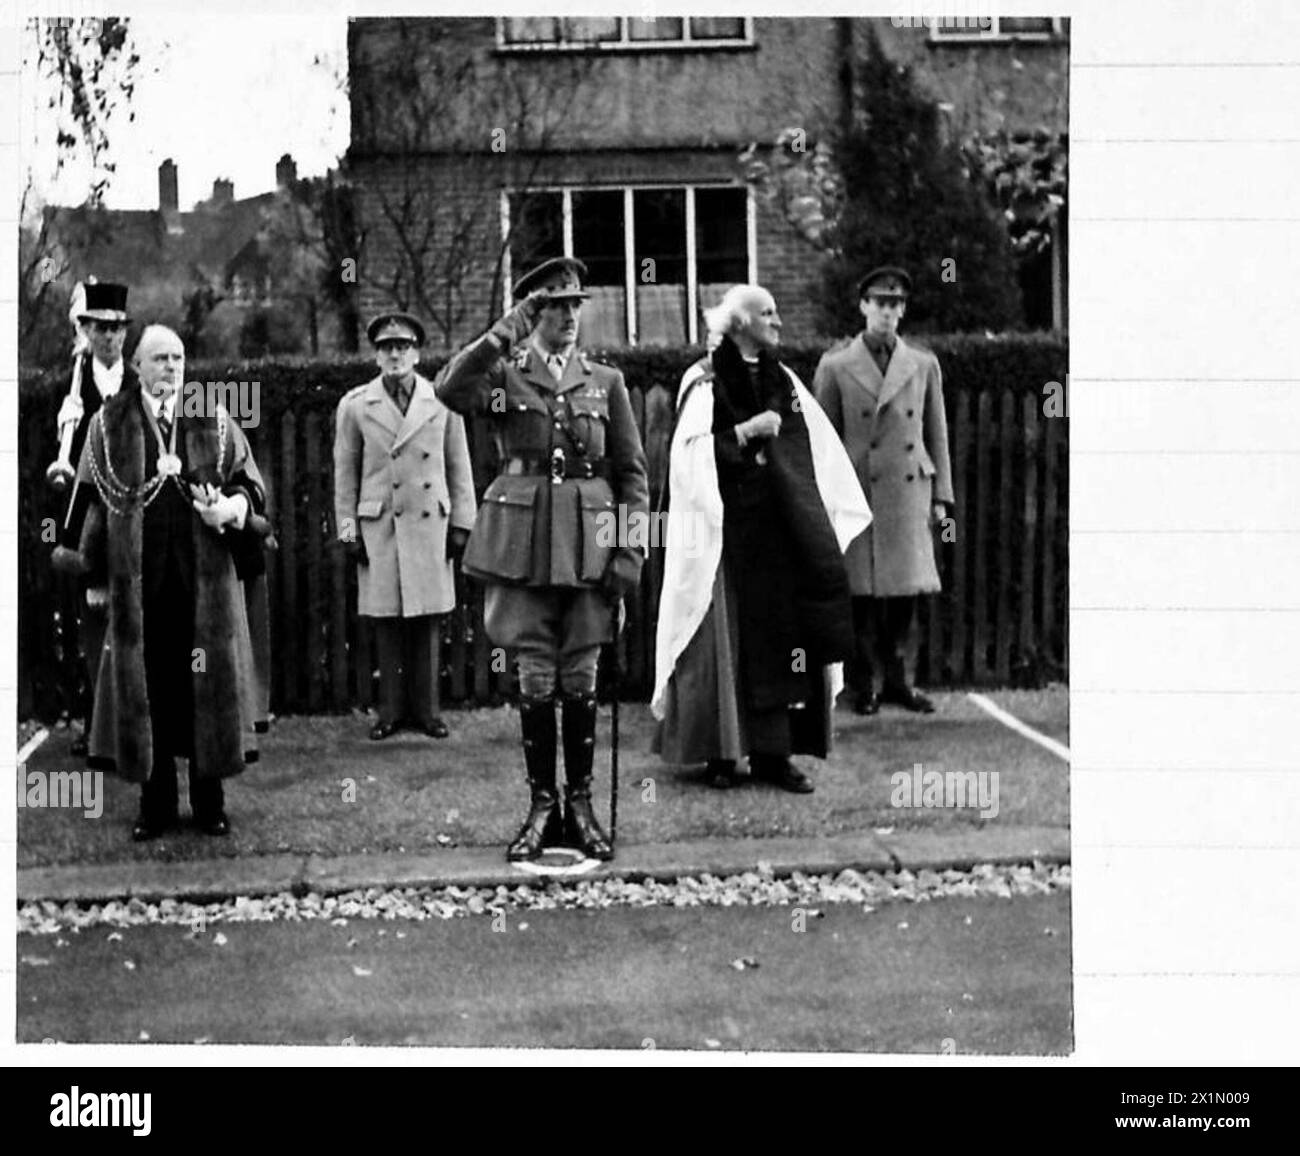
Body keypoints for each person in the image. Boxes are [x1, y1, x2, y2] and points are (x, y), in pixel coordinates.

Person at [437, 257, 648, 862]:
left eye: (577, 305)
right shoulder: (504, 374)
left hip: (589, 545)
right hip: (523, 545)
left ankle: (578, 807)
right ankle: (540, 806)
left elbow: (631, 474)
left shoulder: (605, 382)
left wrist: (629, 551)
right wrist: (500, 334)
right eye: (557, 306)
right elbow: (449, 390)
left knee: (580, 671)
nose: (571, 317)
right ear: (533, 312)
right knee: (534, 671)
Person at [651, 285, 870, 793]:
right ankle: (721, 754)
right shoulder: (703, 380)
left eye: (776, 311)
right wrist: (746, 431)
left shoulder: (786, 381)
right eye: (765, 313)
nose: (777, 321)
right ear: (738, 323)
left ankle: (776, 755)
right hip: (728, 537)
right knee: (725, 645)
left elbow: (815, 451)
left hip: (782, 536)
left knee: (788, 644)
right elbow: (688, 459)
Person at [53, 325, 266, 841]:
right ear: (139, 366)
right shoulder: (108, 423)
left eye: (178, 358)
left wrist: (232, 509)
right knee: (149, 690)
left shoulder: (213, 419)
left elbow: (252, 487)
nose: (171, 367)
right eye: (160, 359)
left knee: (205, 685)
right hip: (140, 586)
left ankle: (210, 803)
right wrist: (91, 570)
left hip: (204, 583)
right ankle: (156, 805)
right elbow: (87, 498)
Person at [813, 266, 954, 715]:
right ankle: (864, 684)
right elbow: (824, 440)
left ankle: (901, 681)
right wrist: (826, 499)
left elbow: (937, 434)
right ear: (863, 306)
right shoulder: (835, 366)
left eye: (896, 305)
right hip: (859, 495)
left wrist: (941, 499)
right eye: (880, 303)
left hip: (909, 492)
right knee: (862, 599)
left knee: (904, 597)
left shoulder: (923, 364)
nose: (888, 313)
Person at [333, 312, 477, 740]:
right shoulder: (356, 405)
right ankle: (390, 711)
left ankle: (429, 712)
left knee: (428, 620)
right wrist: (348, 533)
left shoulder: (442, 400)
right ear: (376, 355)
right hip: (380, 526)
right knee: (388, 621)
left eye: (403, 347)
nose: (395, 355)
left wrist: (463, 525)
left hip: (430, 522)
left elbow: (459, 465)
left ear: (416, 353)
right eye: (386, 348)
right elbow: (345, 474)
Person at [56, 281, 137, 757]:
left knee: (133, 626)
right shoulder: (75, 387)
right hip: (87, 519)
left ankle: (130, 724)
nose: (109, 338)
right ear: (86, 331)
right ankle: (95, 724)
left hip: (131, 517)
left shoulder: (137, 382)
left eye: (117, 329)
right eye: (100, 328)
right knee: (89, 628)